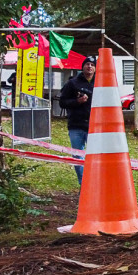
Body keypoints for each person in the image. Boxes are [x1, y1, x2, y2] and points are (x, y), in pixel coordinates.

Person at [59, 55, 97, 184]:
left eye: (92, 65)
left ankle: (94, 184)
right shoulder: (73, 83)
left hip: (94, 127)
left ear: (95, 68)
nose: (89, 66)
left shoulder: (100, 83)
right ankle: (84, 184)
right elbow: (62, 102)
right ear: (83, 67)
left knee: (94, 156)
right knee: (77, 156)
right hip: (76, 125)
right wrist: (77, 101)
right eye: (87, 64)